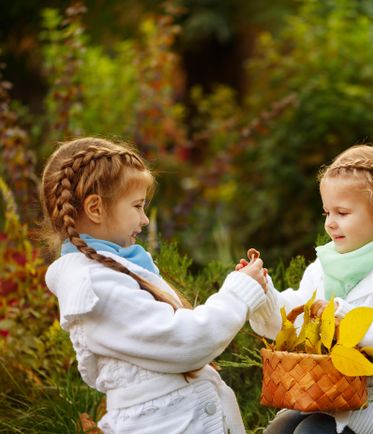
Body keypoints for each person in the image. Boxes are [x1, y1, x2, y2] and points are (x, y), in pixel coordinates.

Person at [40, 137, 268, 434]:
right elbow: (184, 341)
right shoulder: (94, 286)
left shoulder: (113, 271)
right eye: (137, 206)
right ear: (95, 208)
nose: (145, 219)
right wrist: (238, 293)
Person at [248, 145, 373, 434]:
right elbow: (301, 314)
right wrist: (263, 294)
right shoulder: (327, 265)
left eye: (342, 212)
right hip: (332, 390)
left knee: (310, 433)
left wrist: (352, 323)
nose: (330, 224)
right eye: (326, 212)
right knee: (280, 428)